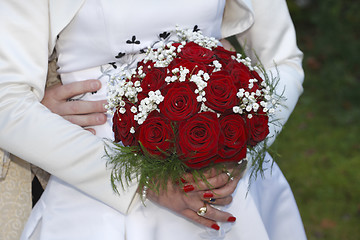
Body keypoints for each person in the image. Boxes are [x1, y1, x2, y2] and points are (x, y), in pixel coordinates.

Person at [0, 0, 307, 239]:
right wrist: (140, 183)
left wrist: (240, 141)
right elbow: (7, 102)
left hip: (224, 174)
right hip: (102, 176)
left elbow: (283, 61)